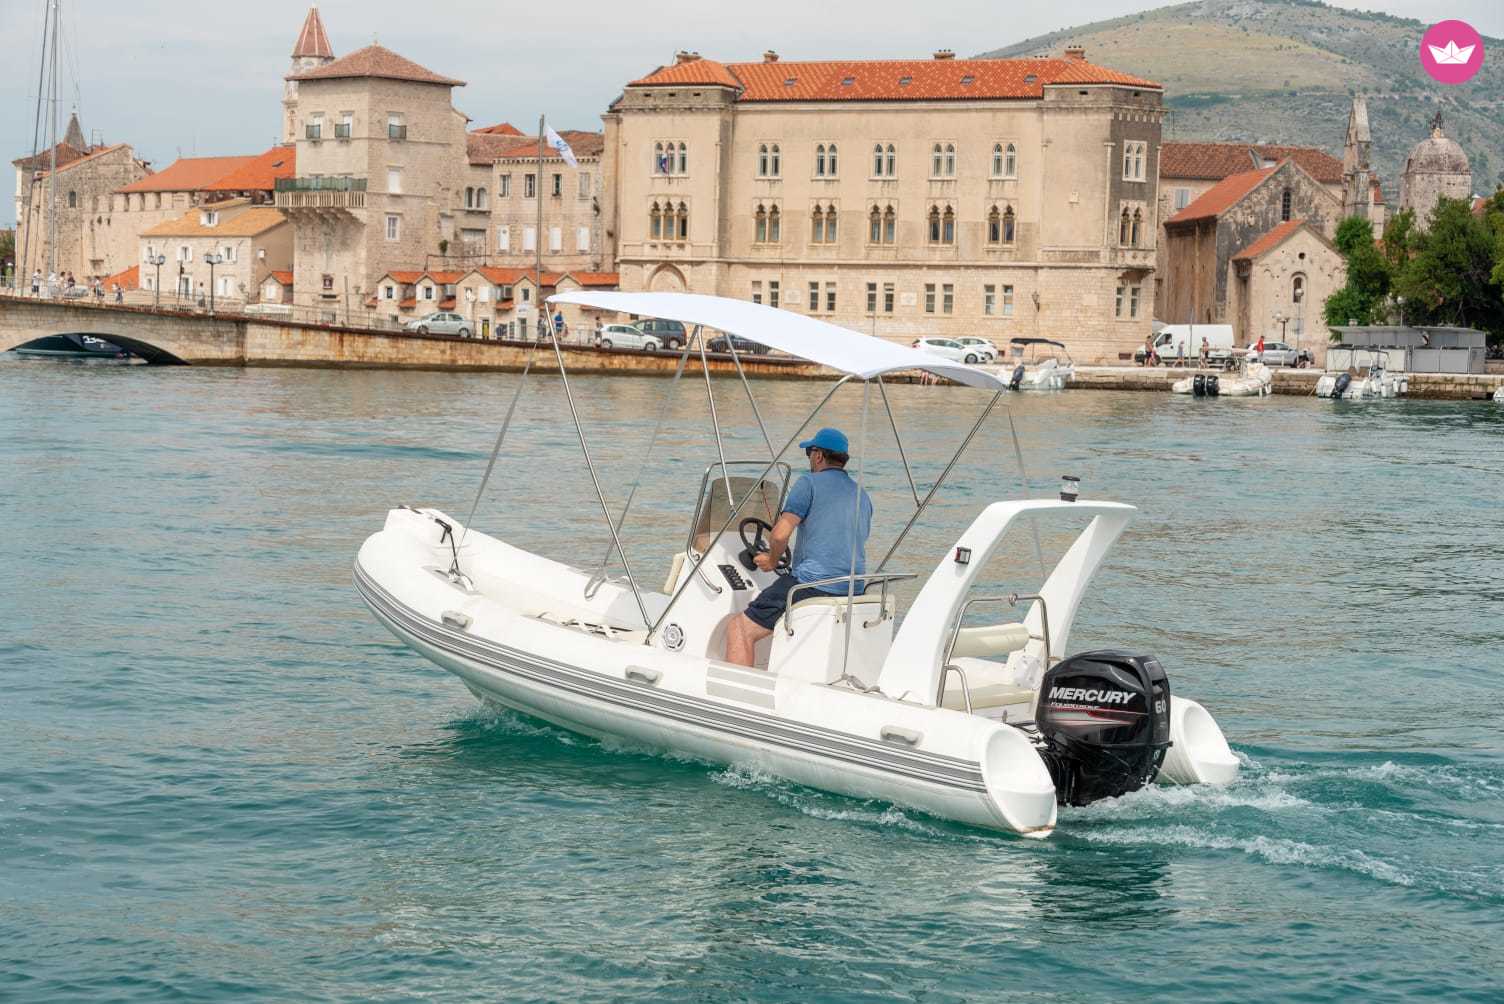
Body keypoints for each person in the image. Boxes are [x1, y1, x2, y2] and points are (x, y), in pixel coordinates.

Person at [724, 427, 874, 667]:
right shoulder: (862, 495)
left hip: (811, 586)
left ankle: (736, 689)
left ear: (818, 455)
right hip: (853, 589)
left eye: (809, 453)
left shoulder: (809, 483)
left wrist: (771, 560)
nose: (810, 459)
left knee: (739, 628)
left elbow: (779, 535)